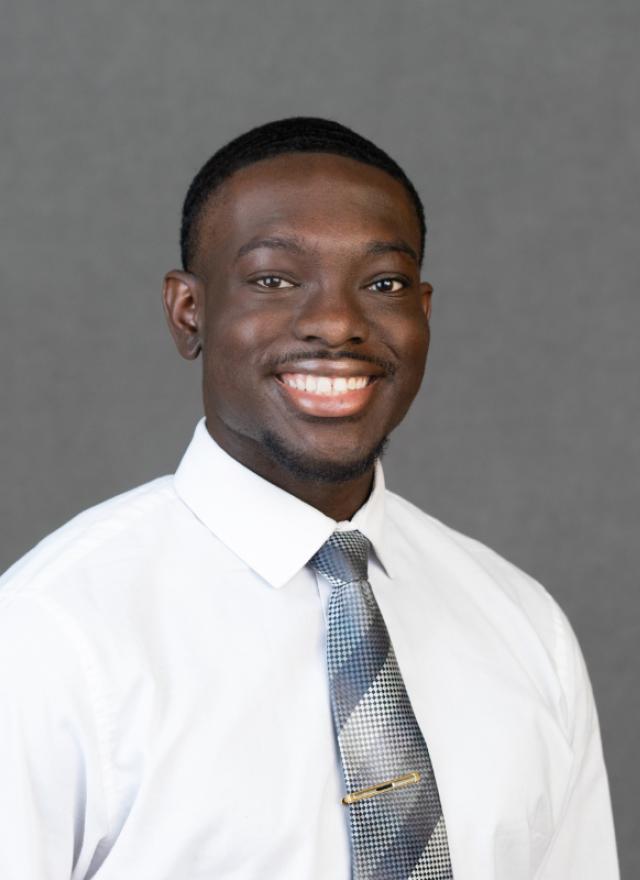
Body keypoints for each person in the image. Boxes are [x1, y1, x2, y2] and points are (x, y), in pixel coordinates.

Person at [0, 117, 619, 880]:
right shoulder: (48, 638)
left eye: (382, 283)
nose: (336, 322)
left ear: (424, 312)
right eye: (274, 279)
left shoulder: (524, 629)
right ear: (188, 312)